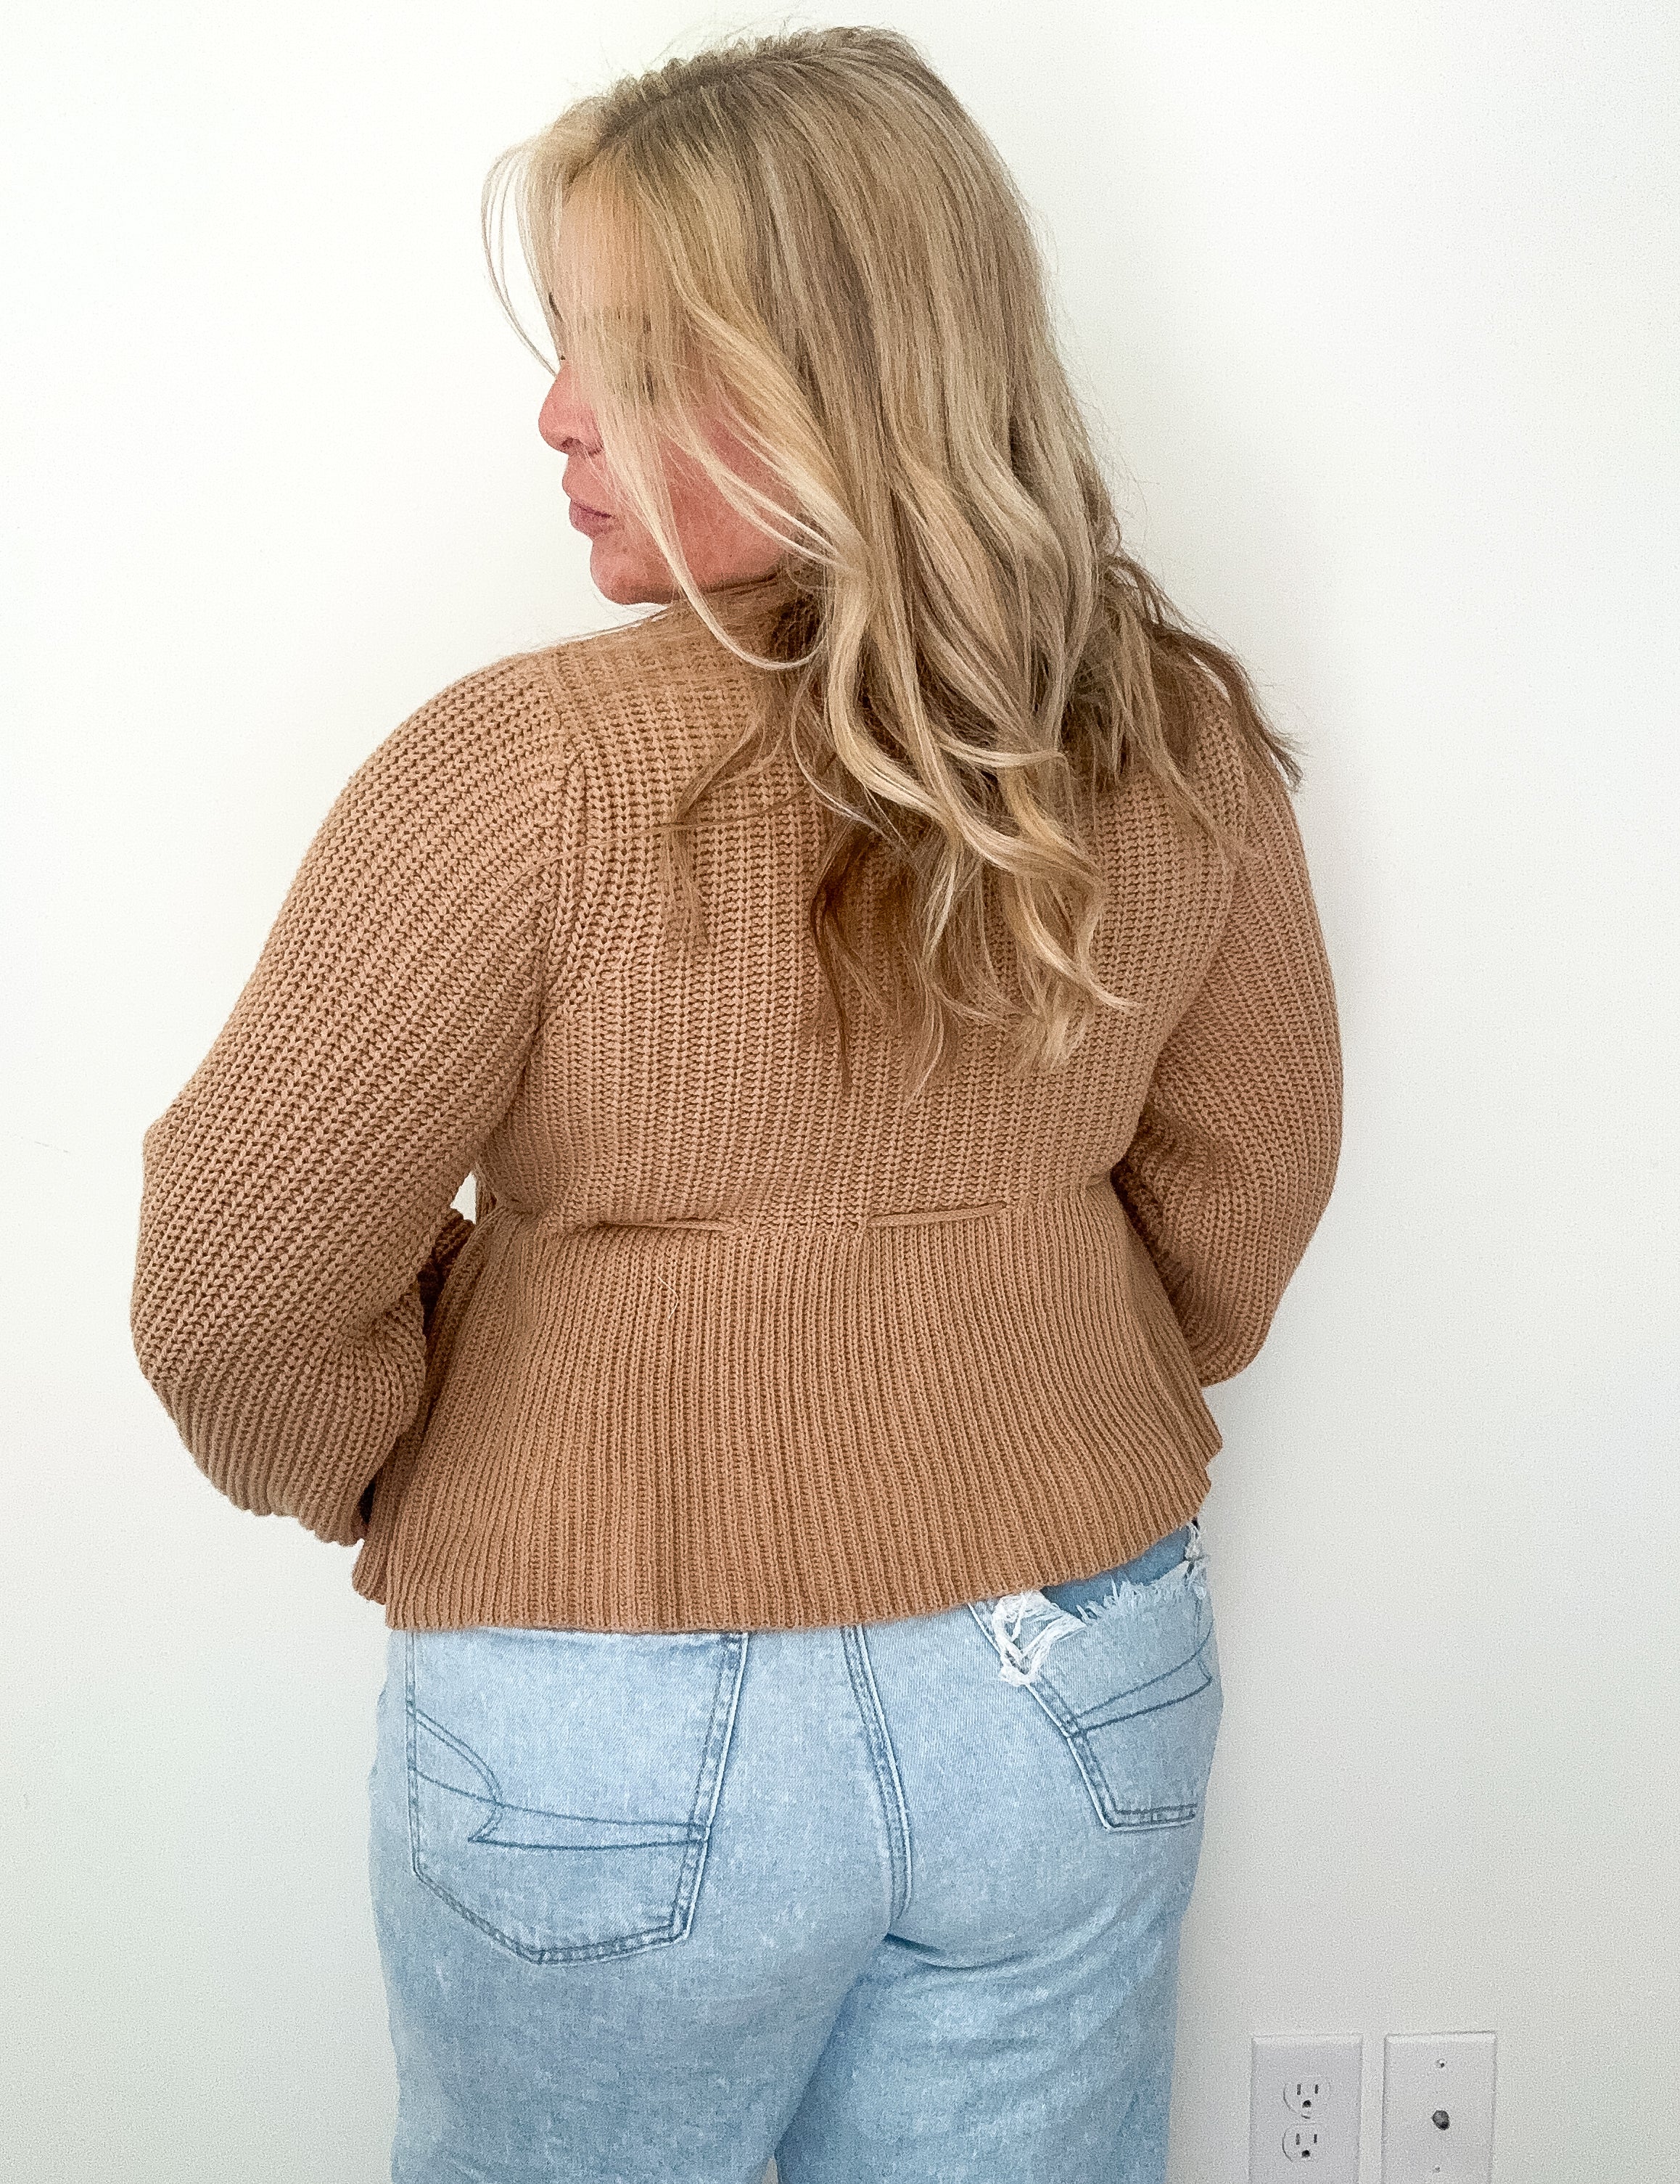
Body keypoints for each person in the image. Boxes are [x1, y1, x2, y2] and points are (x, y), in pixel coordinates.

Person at [129, 25, 1342, 2184]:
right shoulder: (1168, 741)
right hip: (1067, 1671)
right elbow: (1242, 1201)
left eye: (622, 357)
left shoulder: (518, 771)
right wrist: (1018, 1379)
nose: (552, 415)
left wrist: (442, 1467)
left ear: (823, 380)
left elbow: (233, 1291)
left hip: (600, 1698)